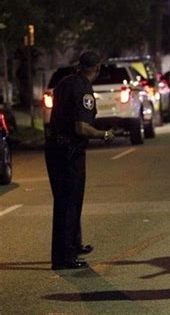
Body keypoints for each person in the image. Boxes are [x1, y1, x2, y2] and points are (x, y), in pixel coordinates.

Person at [45, 51, 115, 270]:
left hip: (55, 148)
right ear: (98, 68)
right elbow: (81, 127)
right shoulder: (83, 88)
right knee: (69, 204)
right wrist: (104, 134)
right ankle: (64, 257)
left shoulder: (65, 82)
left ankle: (73, 245)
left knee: (67, 202)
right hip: (69, 151)